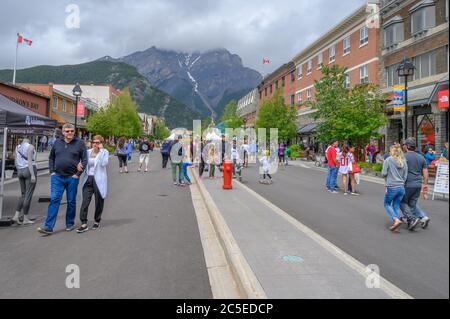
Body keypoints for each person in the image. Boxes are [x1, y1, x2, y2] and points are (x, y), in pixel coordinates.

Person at [37, 123, 87, 235]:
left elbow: (84, 160)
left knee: (71, 201)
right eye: (67, 131)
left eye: (72, 131)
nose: (70, 133)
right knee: (54, 199)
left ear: (74, 131)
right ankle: (48, 227)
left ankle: (70, 223)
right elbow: (51, 157)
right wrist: (52, 171)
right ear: (63, 132)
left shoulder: (79, 143)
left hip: (72, 177)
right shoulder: (57, 143)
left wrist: (78, 174)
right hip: (57, 177)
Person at [76, 135, 109, 233]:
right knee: (85, 201)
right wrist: (78, 164)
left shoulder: (104, 152)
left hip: (99, 179)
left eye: (97, 142)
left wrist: (101, 151)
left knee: (99, 201)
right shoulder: (87, 152)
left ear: (101, 144)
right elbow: (81, 161)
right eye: (94, 142)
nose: (95, 144)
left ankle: (97, 220)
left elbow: (103, 163)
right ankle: (84, 223)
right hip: (88, 179)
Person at [400, 138, 430, 230]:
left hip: (407, 183)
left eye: (405, 145)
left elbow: (400, 171)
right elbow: (425, 173)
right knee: (412, 203)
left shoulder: (403, 157)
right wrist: (425, 185)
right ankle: (411, 222)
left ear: (407, 146)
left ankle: (412, 219)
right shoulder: (421, 157)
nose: (404, 146)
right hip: (418, 184)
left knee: (402, 202)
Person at [381, 144, 408, 232]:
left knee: (387, 204)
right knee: (396, 205)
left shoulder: (388, 160)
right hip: (401, 187)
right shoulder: (403, 161)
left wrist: (388, 176)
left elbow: (383, 173)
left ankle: (396, 220)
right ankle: (396, 224)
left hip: (392, 186)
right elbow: (405, 175)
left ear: (391, 151)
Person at [12, 138, 37, 225]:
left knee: (23, 194)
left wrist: (19, 170)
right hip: (29, 170)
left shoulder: (17, 147)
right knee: (28, 194)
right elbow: (30, 161)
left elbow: (15, 161)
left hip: (20, 171)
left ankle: (16, 215)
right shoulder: (30, 147)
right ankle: (25, 218)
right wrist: (33, 175)